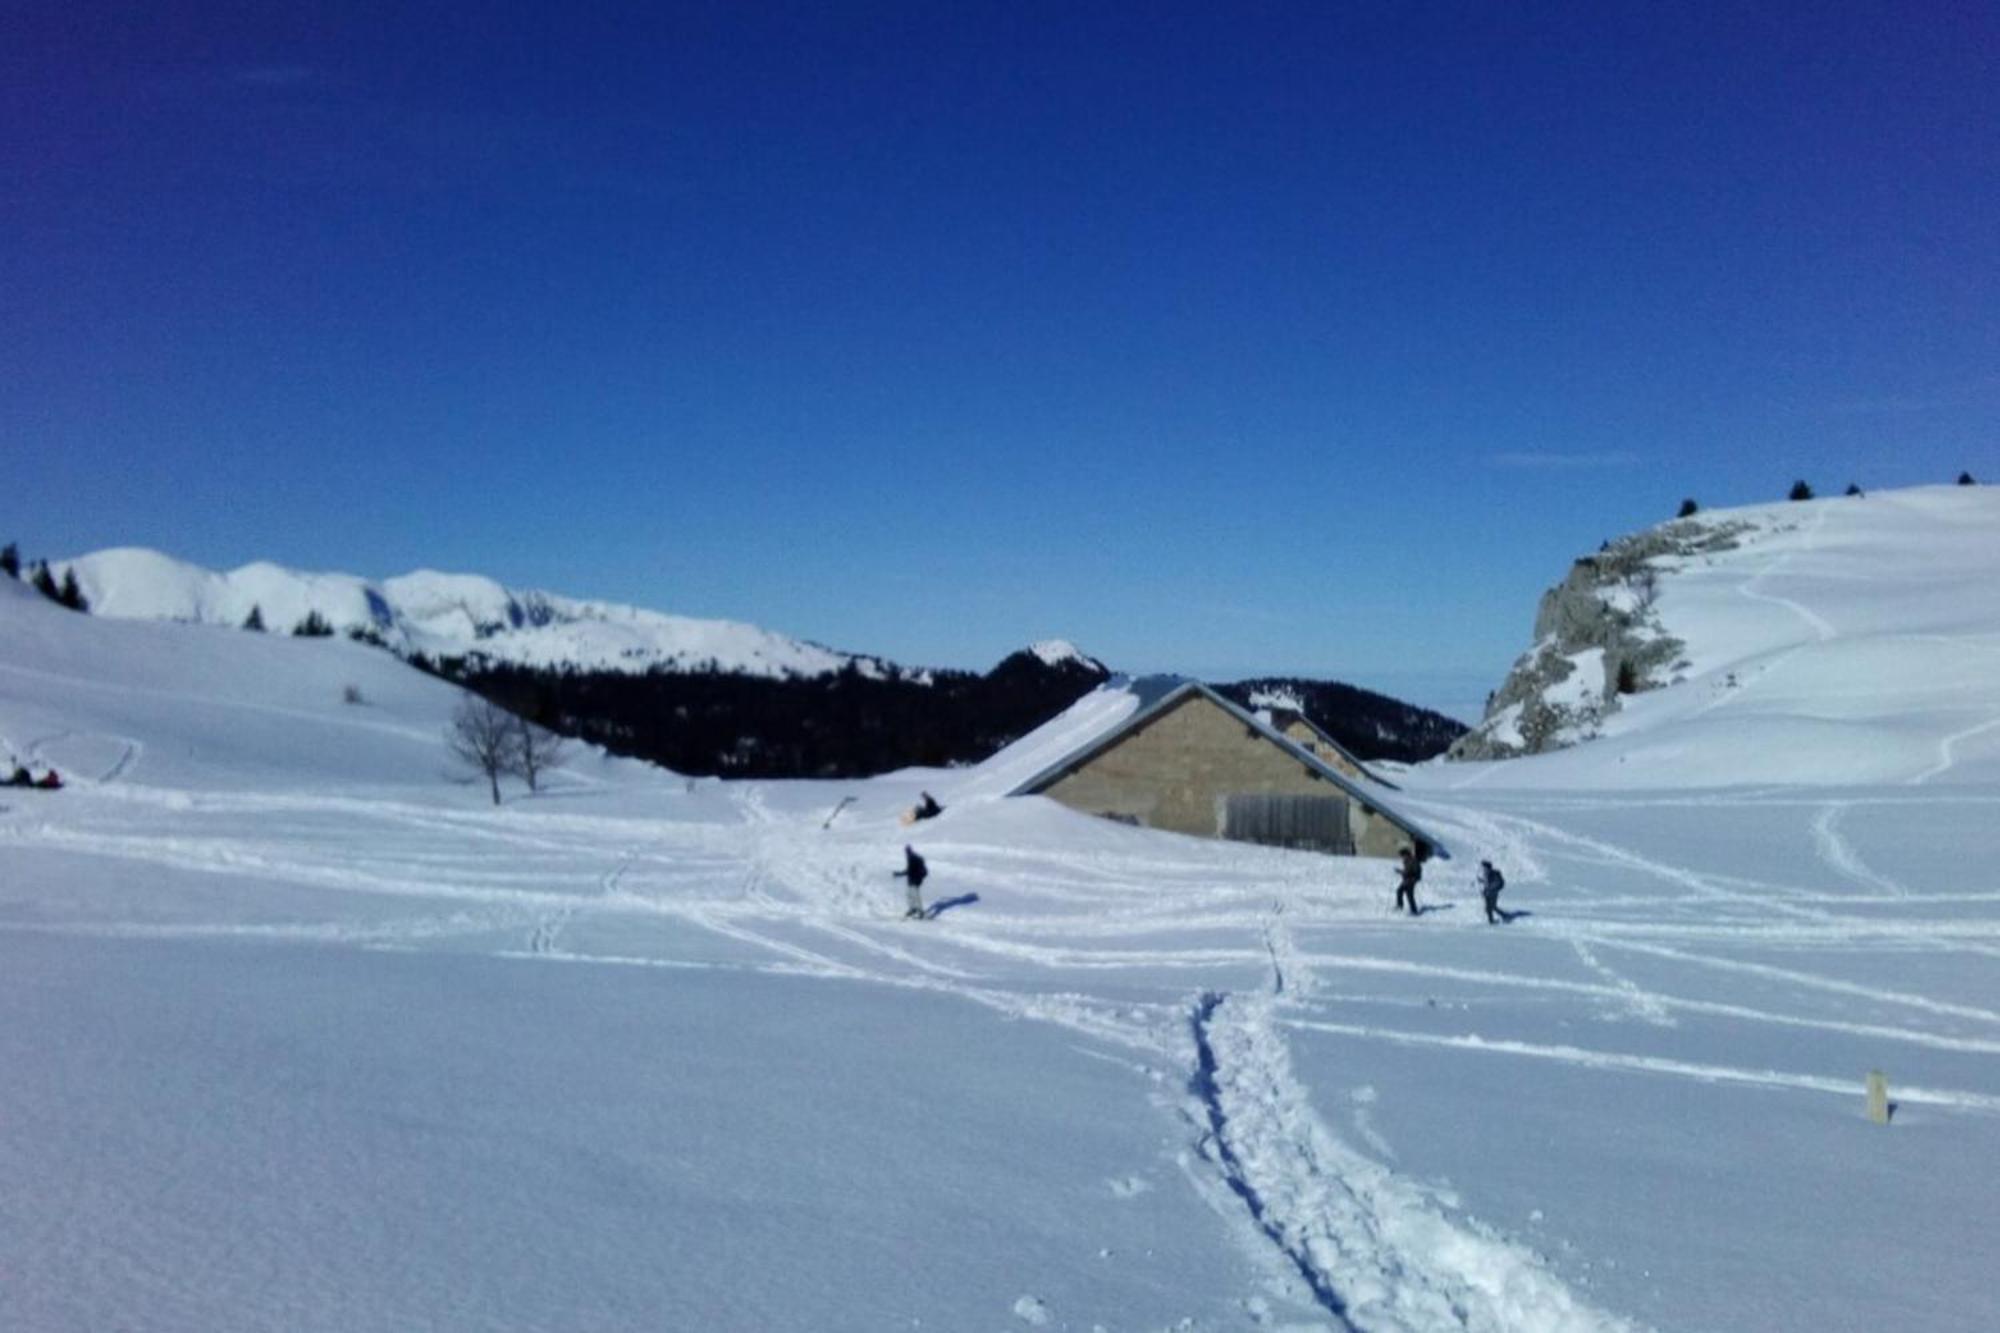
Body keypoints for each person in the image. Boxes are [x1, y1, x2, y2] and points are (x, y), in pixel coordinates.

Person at [893, 845, 929, 919]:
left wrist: (898, 874)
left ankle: (920, 911)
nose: (906, 853)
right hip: (912, 880)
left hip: (915, 880)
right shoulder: (912, 858)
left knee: (915, 895)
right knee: (909, 894)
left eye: (906, 851)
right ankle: (913, 909)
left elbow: (909, 871)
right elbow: (909, 871)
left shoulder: (912, 859)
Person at [1394, 845, 1422, 917]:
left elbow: (1413, 871)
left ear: (1406, 854)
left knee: (1409, 895)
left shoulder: (1413, 861)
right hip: (1407, 880)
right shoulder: (1407, 861)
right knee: (1399, 891)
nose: (1402, 857)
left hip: (1411, 880)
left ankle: (1414, 911)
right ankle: (1400, 906)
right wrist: (1402, 872)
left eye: (1402, 856)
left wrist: (1401, 872)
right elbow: (1406, 871)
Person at [1477, 860, 1506, 924]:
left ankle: (1499, 917)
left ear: (1488, 868)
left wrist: (1491, 887)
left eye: (1485, 867)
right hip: (1487, 893)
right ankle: (1493, 920)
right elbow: (1486, 883)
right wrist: (1481, 881)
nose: (1483, 869)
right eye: (1483, 868)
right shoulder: (1485, 874)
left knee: (1492, 907)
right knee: (1489, 908)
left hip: (1493, 893)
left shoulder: (1494, 874)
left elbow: (1496, 883)